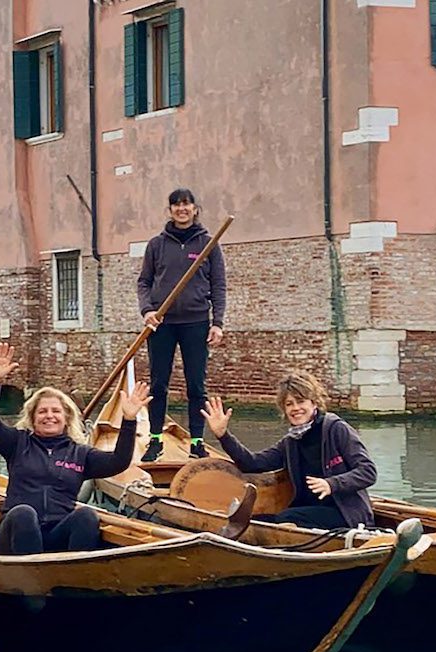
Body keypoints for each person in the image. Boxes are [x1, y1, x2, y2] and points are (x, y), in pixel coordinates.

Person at [0, 343, 148, 555]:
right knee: (23, 513)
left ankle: (74, 574)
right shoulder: (17, 443)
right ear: (32, 418)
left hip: (56, 532)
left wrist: (129, 420)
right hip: (16, 533)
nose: (49, 416)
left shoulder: (80, 453)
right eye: (42, 412)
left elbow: (119, 461)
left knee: (86, 515)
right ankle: (31, 576)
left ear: (66, 418)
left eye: (55, 411)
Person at [201, 372, 378, 530]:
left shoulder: (335, 428)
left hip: (347, 514)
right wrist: (223, 435)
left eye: (300, 401)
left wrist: (332, 484)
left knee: (286, 517)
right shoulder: (291, 442)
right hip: (310, 511)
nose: (295, 408)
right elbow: (253, 463)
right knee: (260, 520)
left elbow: (368, 472)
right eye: (289, 404)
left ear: (314, 402)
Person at [137, 187, 226, 462]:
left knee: (196, 386)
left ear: (195, 209)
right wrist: (147, 311)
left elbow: (218, 285)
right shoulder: (156, 245)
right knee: (158, 384)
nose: (182, 209)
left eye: (186, 204)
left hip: (196, 322)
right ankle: (155, 440)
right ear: (170, 210)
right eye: (176, 205)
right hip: (162, 323)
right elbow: (144, 282)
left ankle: (197, 442)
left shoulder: (209, 244)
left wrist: (218, 322)